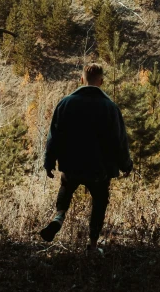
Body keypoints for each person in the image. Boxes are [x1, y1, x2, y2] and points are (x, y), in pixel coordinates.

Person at [40, 62, 132, 251]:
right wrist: (125, 164)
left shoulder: (65, 103)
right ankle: (92, 244)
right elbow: (119, 141)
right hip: (98, 169)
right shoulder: (110, 107)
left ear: (82, 79)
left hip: (71, 165)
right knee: (99, 201)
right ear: (102, 81)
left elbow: (53, 136)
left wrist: (49, 161)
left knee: (66, 186)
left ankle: (59, 217)